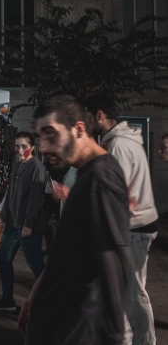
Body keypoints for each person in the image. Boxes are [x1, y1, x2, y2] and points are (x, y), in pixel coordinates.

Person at [19, 95, 130, 345]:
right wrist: (36, 294)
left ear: (79, 129)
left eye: (50, 134)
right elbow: (71, 250)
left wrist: (113, 336)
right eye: (39, 138)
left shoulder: (101, 179)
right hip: (57, 323)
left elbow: (114, 263)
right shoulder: (86, 173)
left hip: (74, 330)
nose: (43, 148)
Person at [85, 94, 158, 345]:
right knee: (128, 291)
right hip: (136, 224)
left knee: (133, 292)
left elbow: (118, 192)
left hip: (134, 226)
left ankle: (144, 342)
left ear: (100, 116)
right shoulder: (121, 142)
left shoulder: (118, 146)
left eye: (88, 115)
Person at [0, 132, 46, 312]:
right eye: (17, 146)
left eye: (23, 146)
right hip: (13, 223)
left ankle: (50, 303)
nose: (19, 150)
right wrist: (4, 218)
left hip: (27, 225)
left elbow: (35, 198)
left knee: (36, 265)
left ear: (32, 148)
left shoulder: (36, 167)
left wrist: (29, 223)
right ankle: (7, 300)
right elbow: (10, 194)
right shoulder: (17, 166)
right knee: (3, 258)